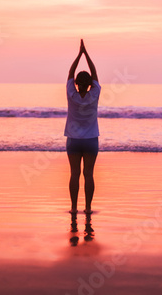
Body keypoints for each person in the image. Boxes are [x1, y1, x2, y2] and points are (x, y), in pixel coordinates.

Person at [64, 39, 100, 215]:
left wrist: (79, 54)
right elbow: (95, 74)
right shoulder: (94, 94)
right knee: (88, 174)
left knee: (74, 174)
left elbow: (71, 72)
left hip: (73, 140)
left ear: (77, 83)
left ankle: (73, 207)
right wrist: (87, 54)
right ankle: (87, 208)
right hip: (91, 140)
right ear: (90, 84)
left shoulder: (72, 94)